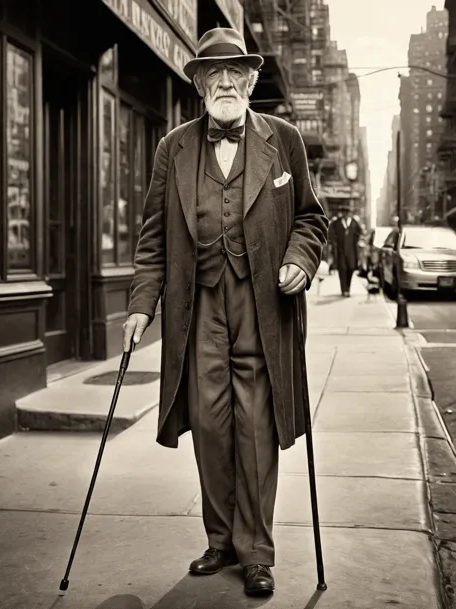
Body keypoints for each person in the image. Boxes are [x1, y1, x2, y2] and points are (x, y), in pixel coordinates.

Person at [122, 27, 328, 597]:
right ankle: (220, 541)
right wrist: (142, 305)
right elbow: (152, 239)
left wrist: (299, 262)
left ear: (253, 79)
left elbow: (313, 219)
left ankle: (256, 552)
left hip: (263, 306)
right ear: (198, 83)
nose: (225, 81)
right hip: (198, 306)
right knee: (211, 425)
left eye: (236, 72)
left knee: (256, 426)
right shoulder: (175, 147)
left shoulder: (283, 140)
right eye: (213, 73)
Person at [328, 204, 362, 297]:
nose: (346, 214)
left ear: (350, 213)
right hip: (340, 251)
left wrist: (356, 241)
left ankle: (348, 288)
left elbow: (360, 233)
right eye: (344, 212)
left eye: (347, 212)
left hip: (351, 251)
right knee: (342, 270)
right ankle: (344, 290)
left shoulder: (354, 223)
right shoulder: (336, 223)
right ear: (342, 213)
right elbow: (331, 234)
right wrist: (334, 244)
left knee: (350, 269)